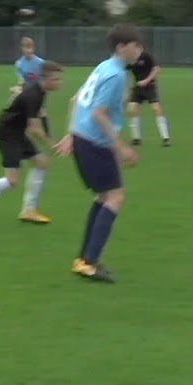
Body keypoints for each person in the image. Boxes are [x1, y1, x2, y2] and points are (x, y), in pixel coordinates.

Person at [57, 25, 143, 283]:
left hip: (85, 139)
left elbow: (76, 100)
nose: (140, 49)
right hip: (95, 142)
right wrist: (120, 146)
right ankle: (89, 262)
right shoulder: (116, 75)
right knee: (116, 197)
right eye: (136, 45)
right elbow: (98, 113)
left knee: (105, 196)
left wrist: (72, 132)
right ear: (121, 47)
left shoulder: (103, 67)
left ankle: (85, 258)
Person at [0, 62, 65, 225]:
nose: (60, 83)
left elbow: (39, 115)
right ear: (46, 79)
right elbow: (35, 129)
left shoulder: (40, 91)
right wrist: (53, 143)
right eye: (56, 79)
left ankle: (29, 210)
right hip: (6, 133)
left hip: (16, 131)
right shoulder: (34, 95)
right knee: (12, 181)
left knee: (42, 163)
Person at [126, 46, 172, 147]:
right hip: (138, 87)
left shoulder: (146, 56)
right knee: (131, 109)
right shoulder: (129, 59)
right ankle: (136, 138)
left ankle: (166, 138)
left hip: (149, 87)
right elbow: (127, 74)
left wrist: (146, 80)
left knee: (157, 109)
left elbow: (157, 69)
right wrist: (128, 89)